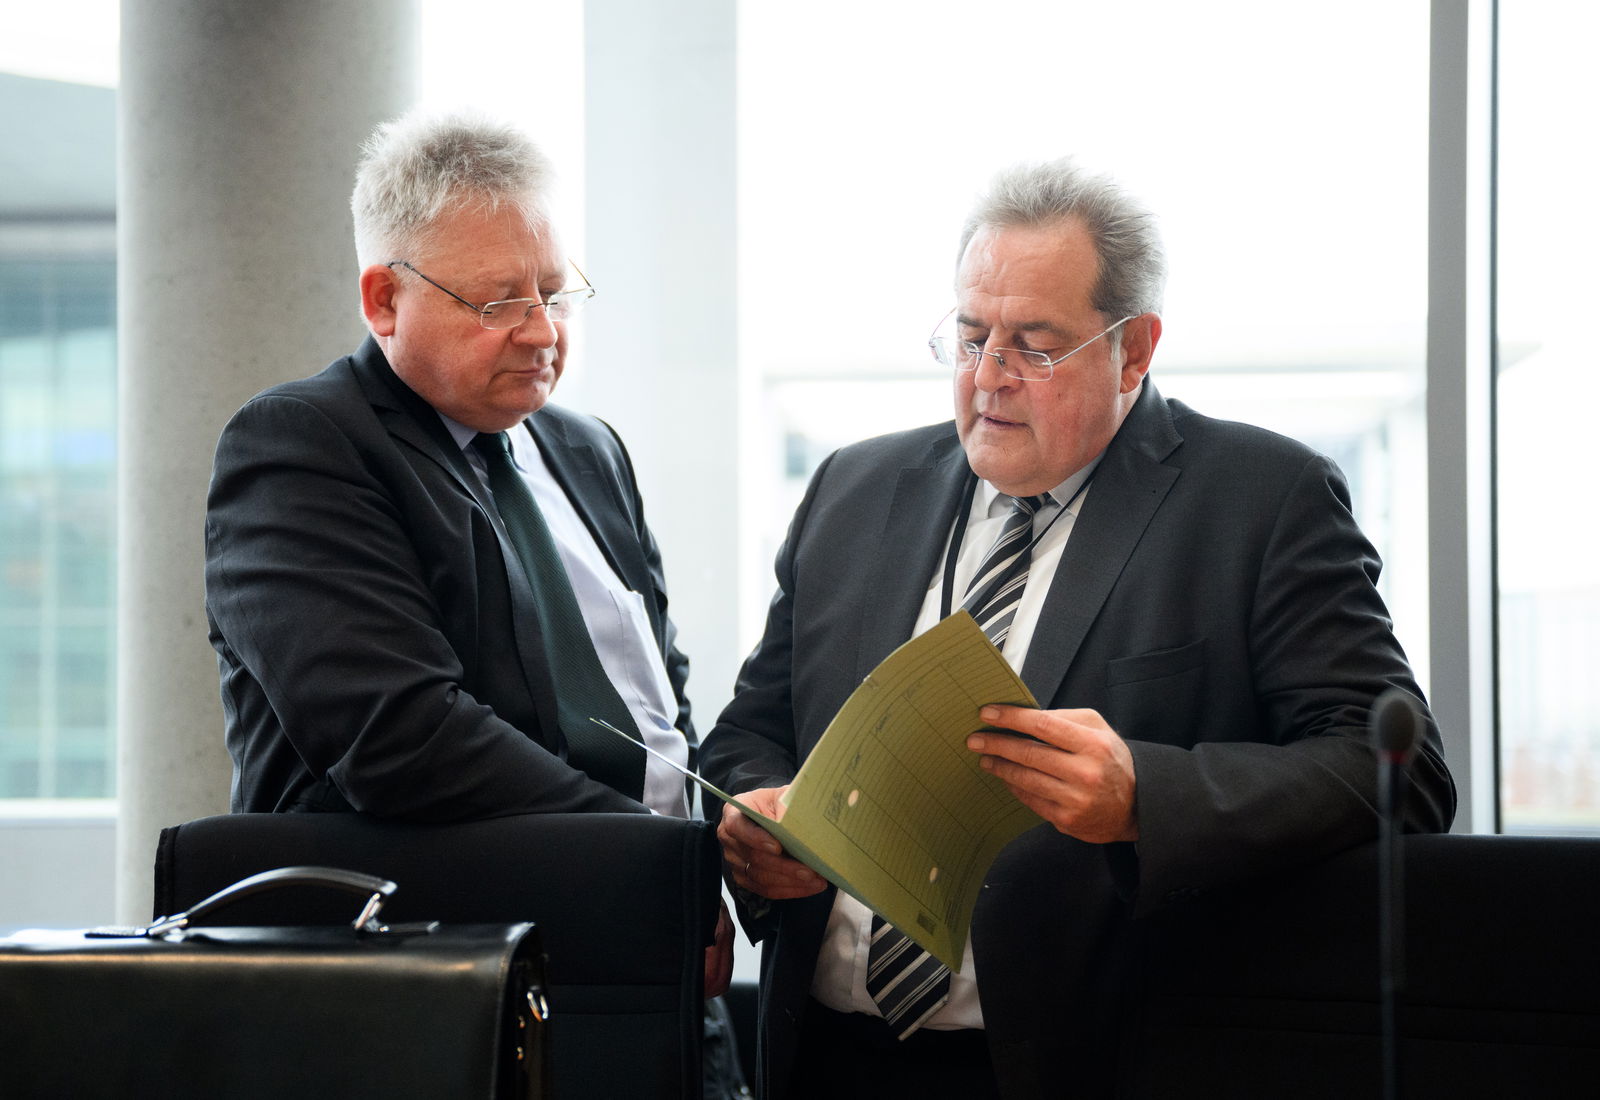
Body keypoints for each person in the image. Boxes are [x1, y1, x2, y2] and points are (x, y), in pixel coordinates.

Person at [699, 158, 1456, 1099]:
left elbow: (1400, 771)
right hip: (825, 1056)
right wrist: (751, 815)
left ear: (1133, 349)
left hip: (1092, 1061)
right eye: (971, 337)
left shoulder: (1261, 502)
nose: (988, 378)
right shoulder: (853, 490)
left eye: (1034, 346)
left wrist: (1150, 794)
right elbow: (750, 731)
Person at [204, 110, 732, 1001]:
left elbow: (655, 695)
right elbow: (400, 736)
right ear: (384, 300)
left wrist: (704, 849)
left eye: (555, 295)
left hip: (647, 959)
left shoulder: (586, 448)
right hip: (433, 985)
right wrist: (649, 856)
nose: (541, 332)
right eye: (498, 304)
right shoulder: (303, 445)